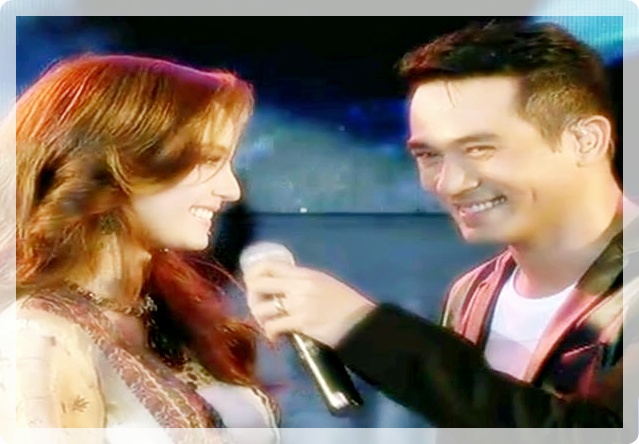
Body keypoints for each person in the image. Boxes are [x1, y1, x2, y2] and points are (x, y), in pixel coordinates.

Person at [243, 20, 639, 440]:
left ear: (585, 140)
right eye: (429, 155)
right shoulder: (473, 292)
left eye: (480, 149)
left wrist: (365, 329)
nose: (451, 183)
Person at [0, 54, 280, 444]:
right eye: (209, 161)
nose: (230, 190)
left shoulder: (169, 315)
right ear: (120, 160)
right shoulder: (41, 335)